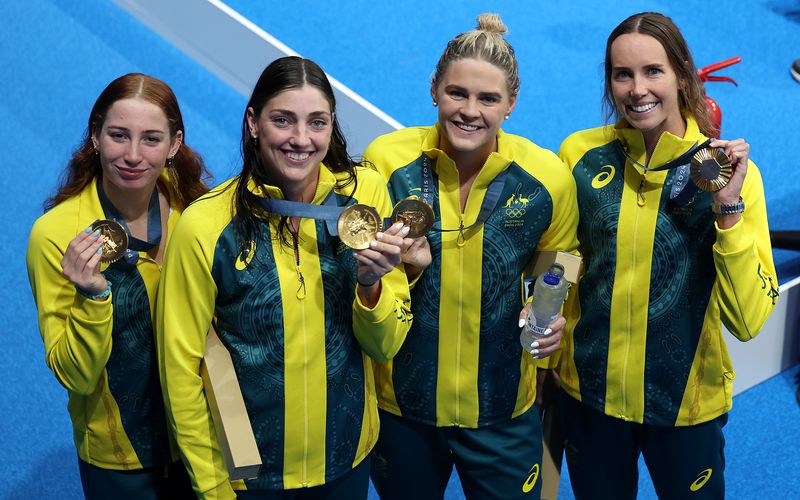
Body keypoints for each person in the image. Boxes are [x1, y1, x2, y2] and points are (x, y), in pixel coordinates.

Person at [156, 56, 412, 499]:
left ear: (332, 126)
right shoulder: (206, 227)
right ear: (254, 123)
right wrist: (213, 485)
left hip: (345, 461)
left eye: (317, 122)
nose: (301, 139)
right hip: (250, 477)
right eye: (283, 120)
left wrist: (370, 286)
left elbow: (386, 343)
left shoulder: (364, 201)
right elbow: (179, 369)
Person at [557, 12, 779, 499]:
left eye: (653, 71)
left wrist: (728, 210)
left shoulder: (734, 177)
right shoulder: (579, 154)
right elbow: (565, 258)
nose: (638, 89)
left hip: (685, 405)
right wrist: (540, 326)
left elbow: (747, 320)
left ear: (682, 73)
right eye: (623, 74)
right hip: (589, 395)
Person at [363, 14, 579, 499]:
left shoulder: (546, 178)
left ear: (511, 104)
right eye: (457, 93)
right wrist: (404, 269)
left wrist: (543, 318)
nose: (469, 110)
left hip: (503, 410)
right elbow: (363, 271)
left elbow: (559, 264)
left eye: (488, 99)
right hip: (403, 409)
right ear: (434, 89)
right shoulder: (386, 162)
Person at [26, 73, 209, 499]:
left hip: (204, 437)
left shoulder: (195, 207)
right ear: (95, 136)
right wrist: (94, 295)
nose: (132, 155)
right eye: (118, 135)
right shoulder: (55, 235)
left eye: (151, 139)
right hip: (122, 457)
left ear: (174, 145)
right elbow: (76, 375)